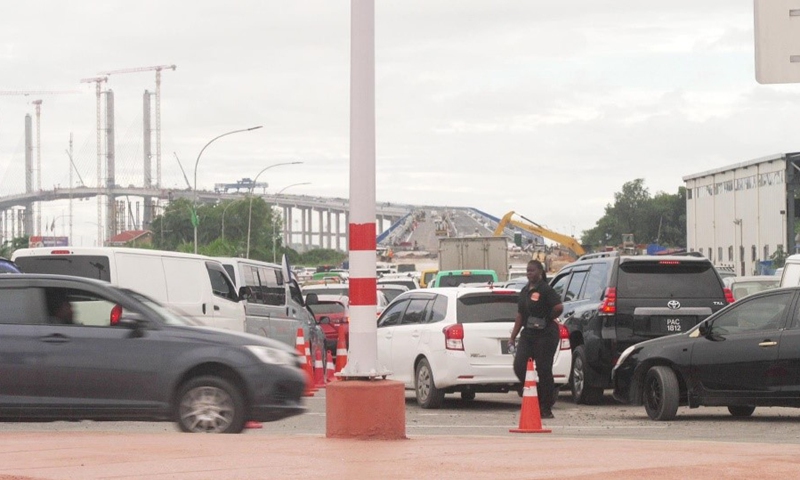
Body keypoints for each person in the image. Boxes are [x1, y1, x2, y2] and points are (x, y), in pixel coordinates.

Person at [508, 259, 563, 419]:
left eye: (532, 270)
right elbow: (520, 315)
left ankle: (546, 407)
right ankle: (535, 394)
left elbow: (559, 307)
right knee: (519, 366)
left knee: (544, 370)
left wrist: (547, 318)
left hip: (546, 334)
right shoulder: (525, 291)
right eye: (527, 271)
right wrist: (512, 337)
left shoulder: (546, 289)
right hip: (528, 333)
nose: (529, 273)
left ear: (540, 272)